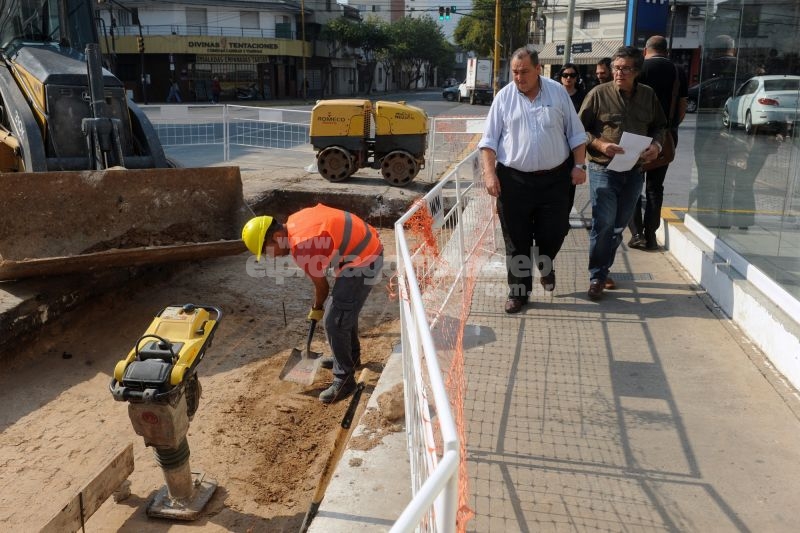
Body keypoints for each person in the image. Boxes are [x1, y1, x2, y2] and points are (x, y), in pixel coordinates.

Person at [478, 45, 587, 314]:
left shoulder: (558, 92)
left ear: (539, 69)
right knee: (516, 240)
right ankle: (518, 293)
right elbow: (489, 141)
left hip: (555, 180)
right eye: (515, 72)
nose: (518, 77)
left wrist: (580, 165)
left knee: (556, 231)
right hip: (514, 181)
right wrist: (490, 174)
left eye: (524, 71)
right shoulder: (504, 98)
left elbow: (575, 133)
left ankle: (545, 263)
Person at [241, 205, 384, 403]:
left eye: (267, 251)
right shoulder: (294, 220)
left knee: (334, 321)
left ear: (274, 238)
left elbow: (322, 287)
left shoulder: (301, 246)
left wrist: (316, 309)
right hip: (364, 249)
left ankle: (344, 380)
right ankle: (350, 357)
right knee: (343, 310)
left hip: (365, 259)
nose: (270, 256)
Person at [578, 46, 667, 300]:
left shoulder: (648, 96)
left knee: (617, 227)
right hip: (602, 168)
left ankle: (603, 268)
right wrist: (601, 144)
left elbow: (660, 125)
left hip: (634, 170)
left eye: (625, 68)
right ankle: (597, 275)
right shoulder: (598, 94)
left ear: (636, 71)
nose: (619, 73)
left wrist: (656, 146)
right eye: (617, 67)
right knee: (604, 224)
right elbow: (578, 129)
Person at [627, 35, 688, 251]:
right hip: (664, 138)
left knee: (632, 185)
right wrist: (670, 128)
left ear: (646, 50)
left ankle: (636, 234)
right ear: (667, 51)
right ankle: (651, 235)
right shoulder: (678, 71)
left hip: (637, 135)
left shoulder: (639, 69)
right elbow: (682, 107)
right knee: (655, 188)